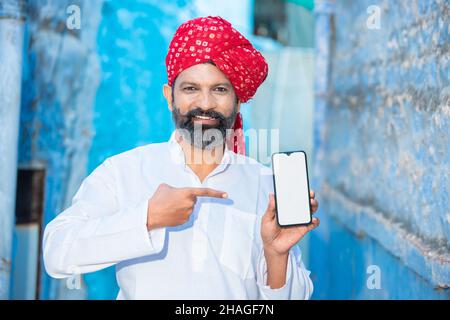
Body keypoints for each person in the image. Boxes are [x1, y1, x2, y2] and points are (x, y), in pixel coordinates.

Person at [43, 16, 320, 299]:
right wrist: (148, 217)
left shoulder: (265, 186)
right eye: (191, 89)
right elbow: (57, 252)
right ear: (169, 96)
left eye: (220, 89)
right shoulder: (124, 172)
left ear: (238, 102)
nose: (205, 103)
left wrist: (276, 254)